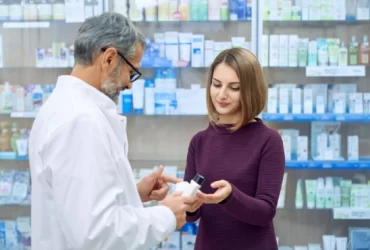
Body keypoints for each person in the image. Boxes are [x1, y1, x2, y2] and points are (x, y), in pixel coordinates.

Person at [29, 12, 197, 250]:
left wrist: (132, 193)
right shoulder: (80, 121)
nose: (129, 84)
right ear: (109, 58)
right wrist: (166, 215)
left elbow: (74, 205)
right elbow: (96, 233)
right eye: (132, 72)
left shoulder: (64, 107)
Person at [184, 47, 285, 250]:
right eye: (216, 84)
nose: (221, 95)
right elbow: (191, 216)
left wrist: (230, 197)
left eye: (234, 88)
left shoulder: (269, 140)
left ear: (250, 91)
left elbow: (265, 212)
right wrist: (183, 199)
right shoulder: (199, 141)